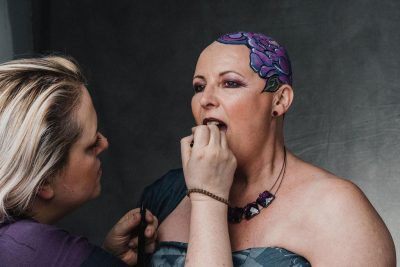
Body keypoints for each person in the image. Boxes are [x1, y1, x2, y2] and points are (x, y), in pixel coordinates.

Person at [139, 32, 396, 266]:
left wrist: (207, 198)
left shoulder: (338, 209)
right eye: (199, 86)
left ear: (280, 100)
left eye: (230, 83)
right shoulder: (165, 195)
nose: (205, 99)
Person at [0, 56, 158, 266]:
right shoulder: (33, 247)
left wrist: (105, 258)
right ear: (44, 180)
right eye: (91, 145)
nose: (104, 144)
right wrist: (206, 198)